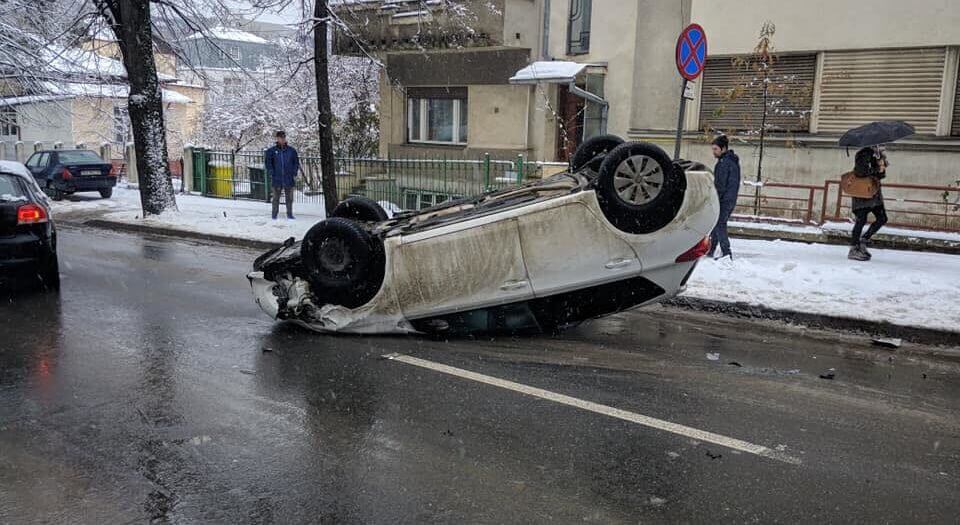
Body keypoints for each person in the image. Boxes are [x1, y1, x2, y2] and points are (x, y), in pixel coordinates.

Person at [848, 146, 888, 261]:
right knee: (861, 220)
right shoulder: (864, 153)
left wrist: (881, 167)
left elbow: (881, 175)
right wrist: (875, 169)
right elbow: (860, 172)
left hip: (874, 193)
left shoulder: (878, 155)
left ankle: (863, 240)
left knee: (882, 218)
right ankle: (854, 248)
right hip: (863, 194)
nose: (881, 145)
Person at [708, 135, 741, 259]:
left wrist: (714, 198)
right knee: (717, 224)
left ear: (723, 148)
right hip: (729, 198)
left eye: (715, 149)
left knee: (720, 224)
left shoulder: (724, 163)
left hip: (723, 199)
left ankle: (726, 253)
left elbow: (720, 184)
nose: (713, 152)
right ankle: (710, 250)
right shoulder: (731, 161)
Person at [265, 130, 300, 220]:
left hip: (289, 178)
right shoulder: (271, 151)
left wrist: (294, 172)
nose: (282, 139)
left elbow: (296, 162)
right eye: (280, 138)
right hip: (277, 178)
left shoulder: (291, 151)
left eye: (283, 138)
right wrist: (272, 172)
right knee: (276, 198)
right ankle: (274, 215)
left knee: (289, 198)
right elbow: (268, 163)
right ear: (277, 138)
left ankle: (289, 214)